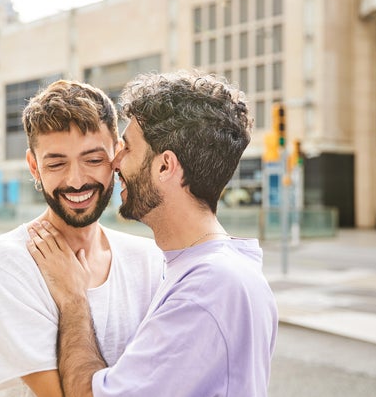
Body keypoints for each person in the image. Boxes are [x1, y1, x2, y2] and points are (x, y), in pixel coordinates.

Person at [28, 71, 278, 396]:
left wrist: (73, 299)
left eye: (127, 148)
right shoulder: (210, 269)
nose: (114, 161)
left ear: (165, 166)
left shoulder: (205, 290)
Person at [0, 80, 164, 397]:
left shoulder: (148, 259)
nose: (76, 181)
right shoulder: (5, 262)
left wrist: (74, 297)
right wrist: (73, 301)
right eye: (56, 163)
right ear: (34, 166)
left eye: (93, 160)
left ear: (116, 155)